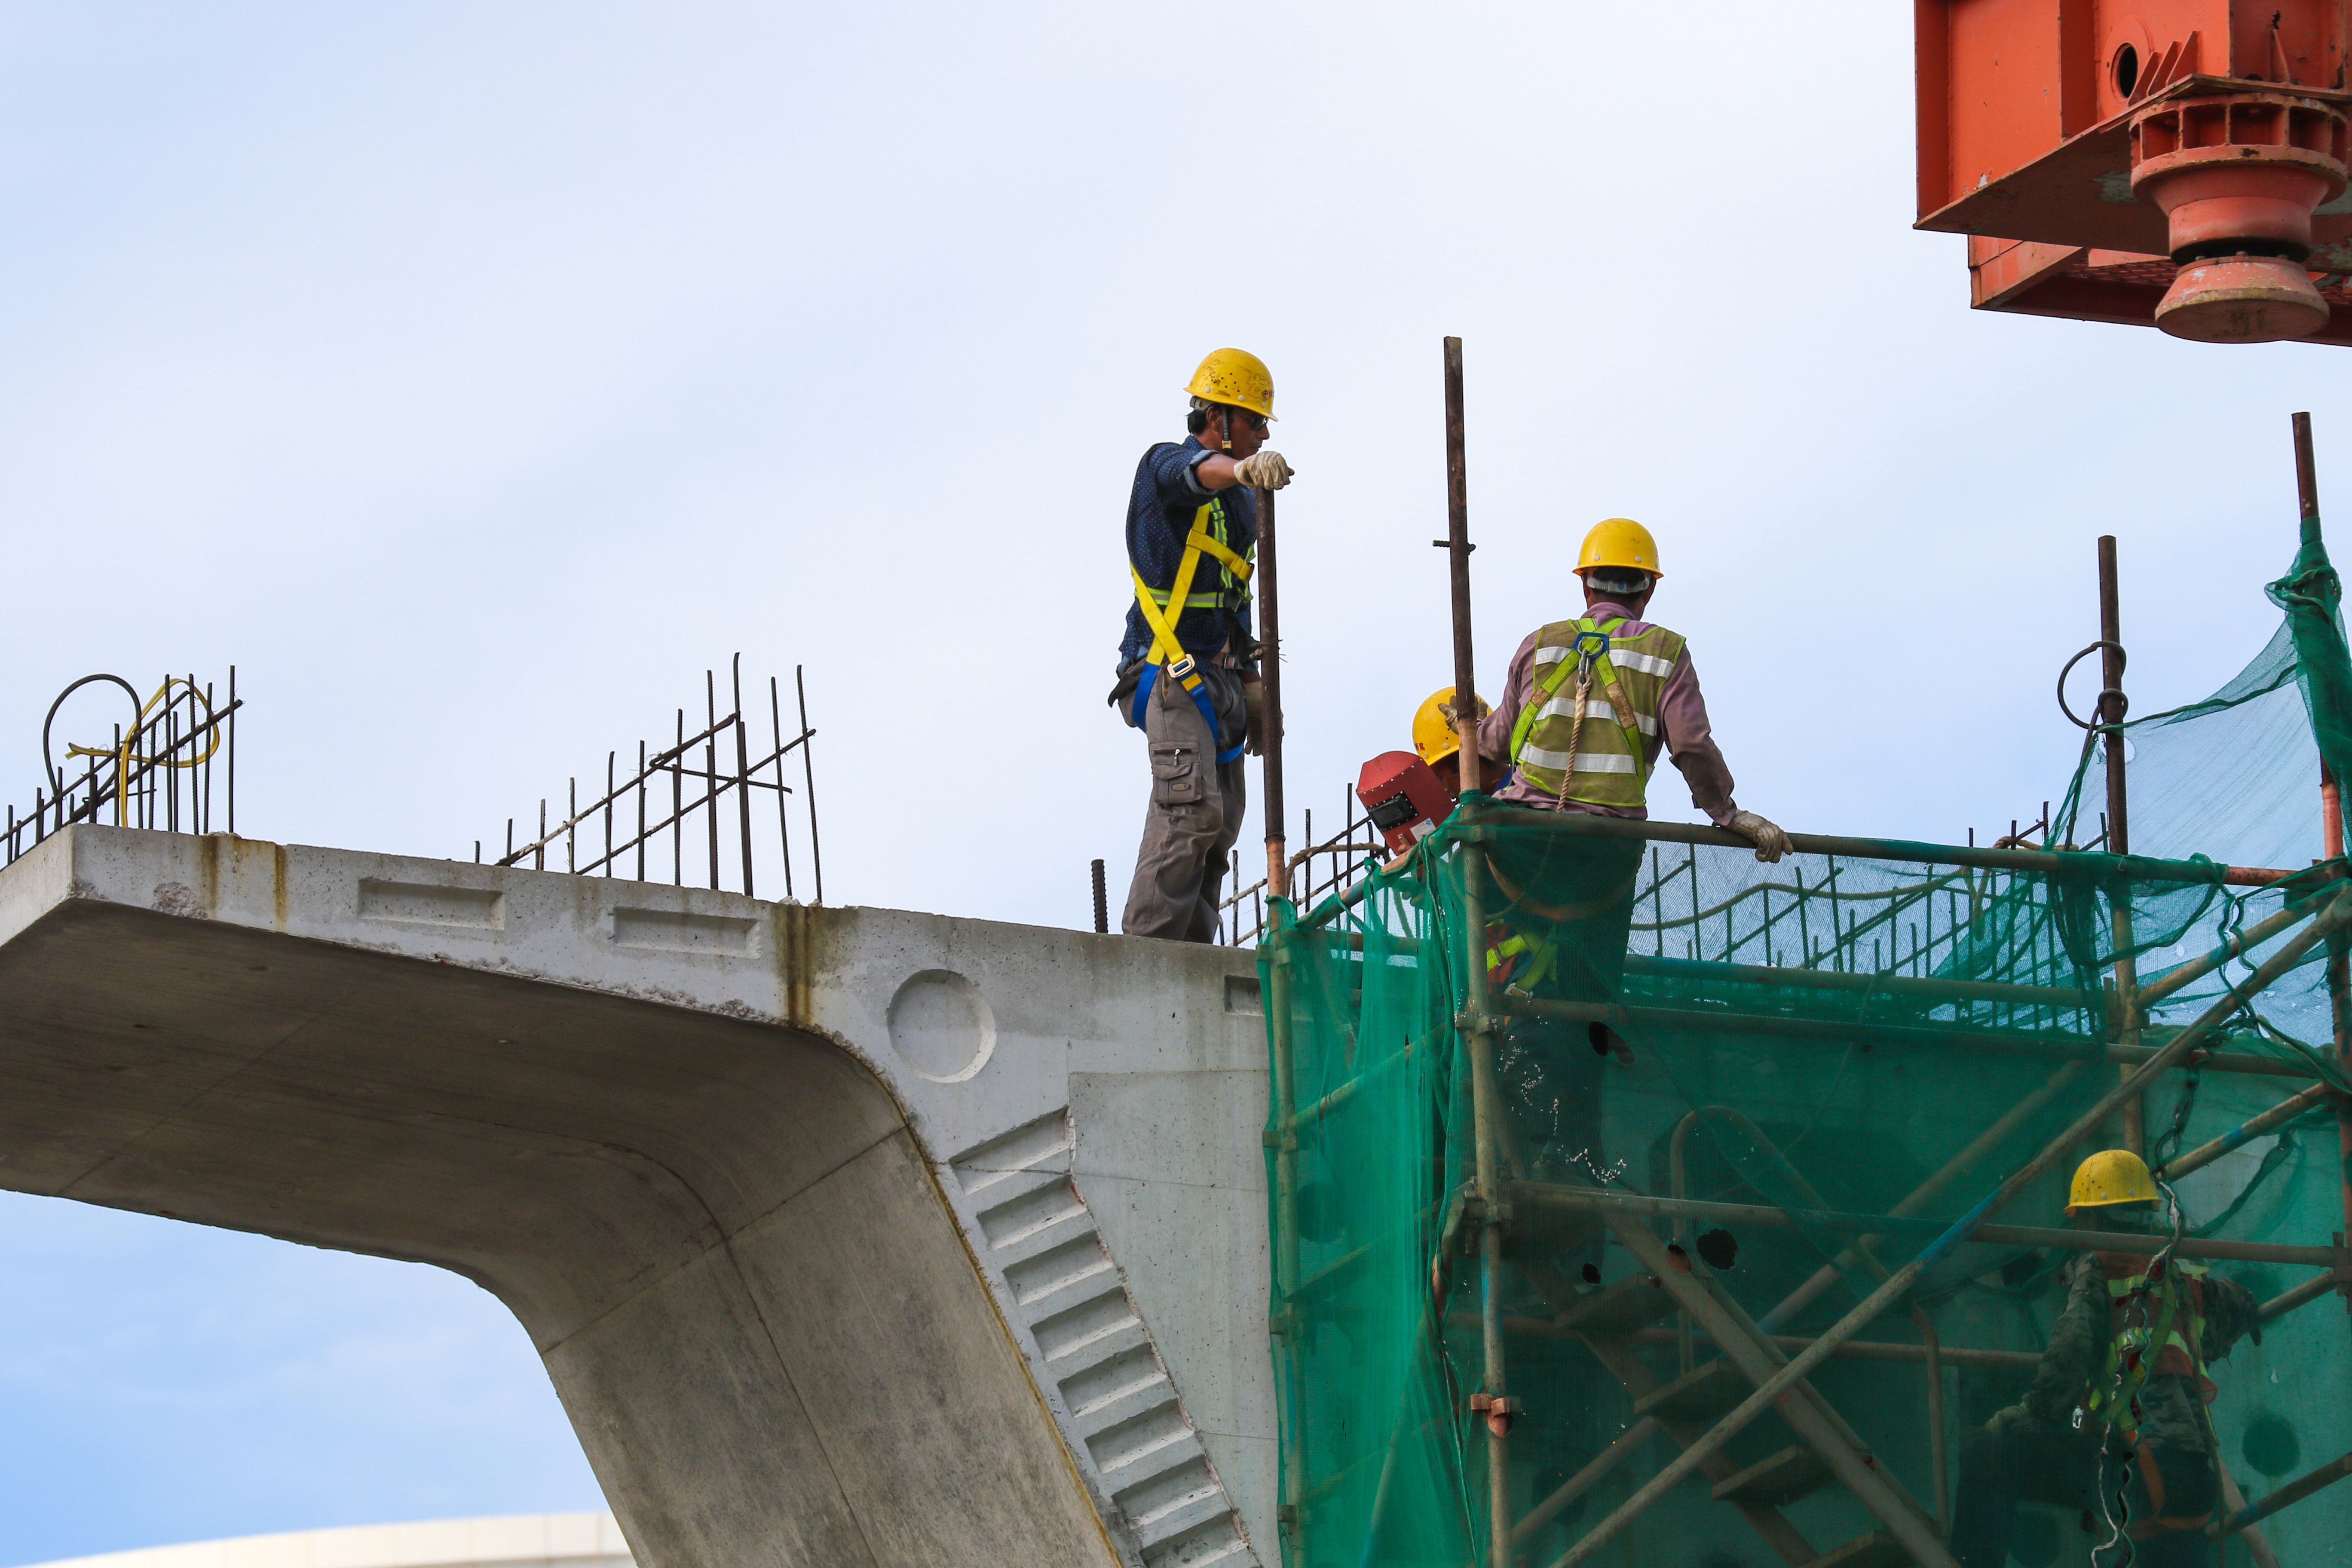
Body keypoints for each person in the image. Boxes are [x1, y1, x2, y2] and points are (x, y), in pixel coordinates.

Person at [1466, 518, 1790, 1182]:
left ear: (1585, 583)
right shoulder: (1665, 653)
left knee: (1501, 973)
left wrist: (1466, 732)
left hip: (1516, 847)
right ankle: (1582, 1076)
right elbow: (1691, 745)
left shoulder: (1540, 645)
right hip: (1601, 854)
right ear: (1647, 588)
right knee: (1584, 983)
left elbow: (1494, 746)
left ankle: (1501, 1067)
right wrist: (1726, 812)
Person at [1951, 1149, 2260, 1568]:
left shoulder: (2099, 1265)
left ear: (2091, 1217)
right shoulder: (2184, 1273)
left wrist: (2029, 1416)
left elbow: (2072, 1350)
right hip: (2196, 1476)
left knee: (1988, 1455)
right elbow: (2243, 1303)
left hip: (2136, 1475)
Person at [1111, 348, 1294, 942]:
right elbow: (1190, 476)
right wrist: (1240, 470)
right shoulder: (1164, 466)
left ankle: (1190, 959)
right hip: (1167, 672)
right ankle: (1146, 956)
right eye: (1253, 421)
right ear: (1217, 418)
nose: (1262, 433)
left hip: (1218, 681)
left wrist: (1256, 689)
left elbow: (1235, 602)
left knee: (1222, 826)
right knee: (1191, 812)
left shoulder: (1240, 506)